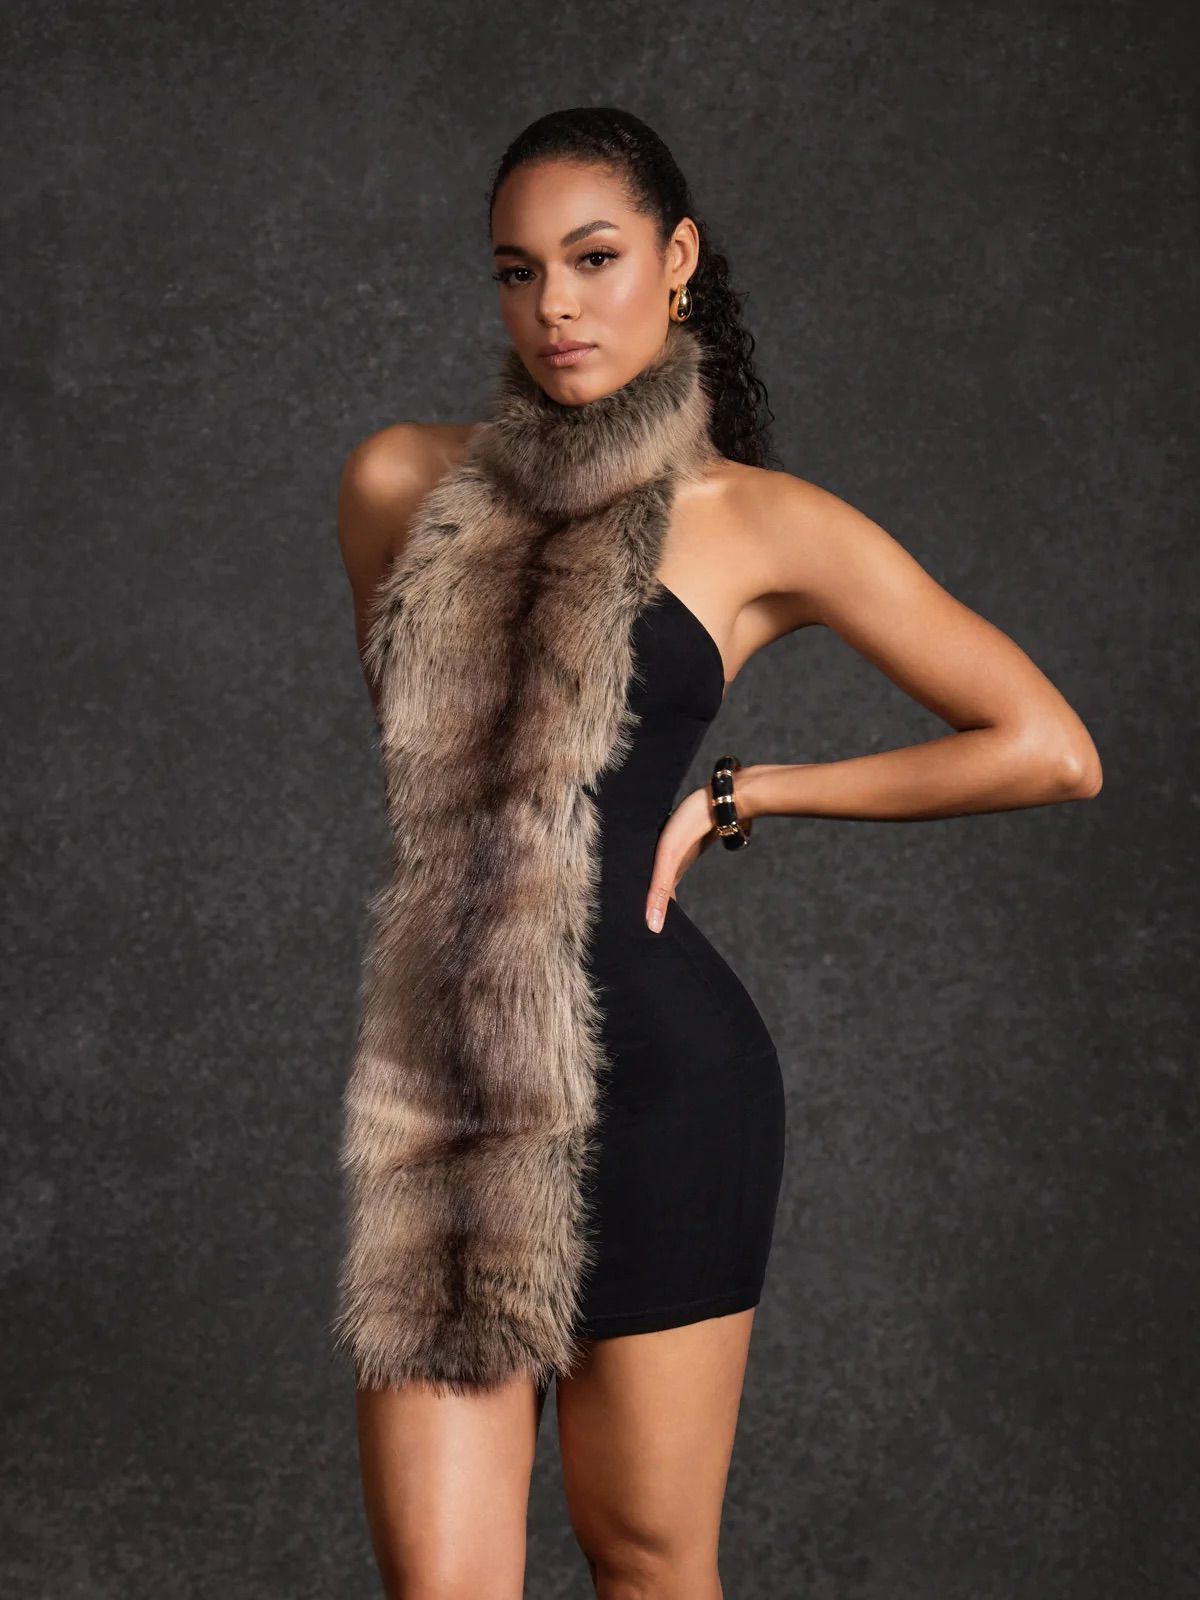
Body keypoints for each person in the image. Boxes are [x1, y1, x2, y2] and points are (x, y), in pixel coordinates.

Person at [332, 107, 1102, 1600]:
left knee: (648, 1563)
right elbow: (441, 797)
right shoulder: (397, 485)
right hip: (451, 1090)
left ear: (676, 259)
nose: (554, 305)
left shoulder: (757, 523)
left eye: (595, 258)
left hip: (664, 1091)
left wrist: (757, 794)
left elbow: (1048, 745)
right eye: (517, 271)